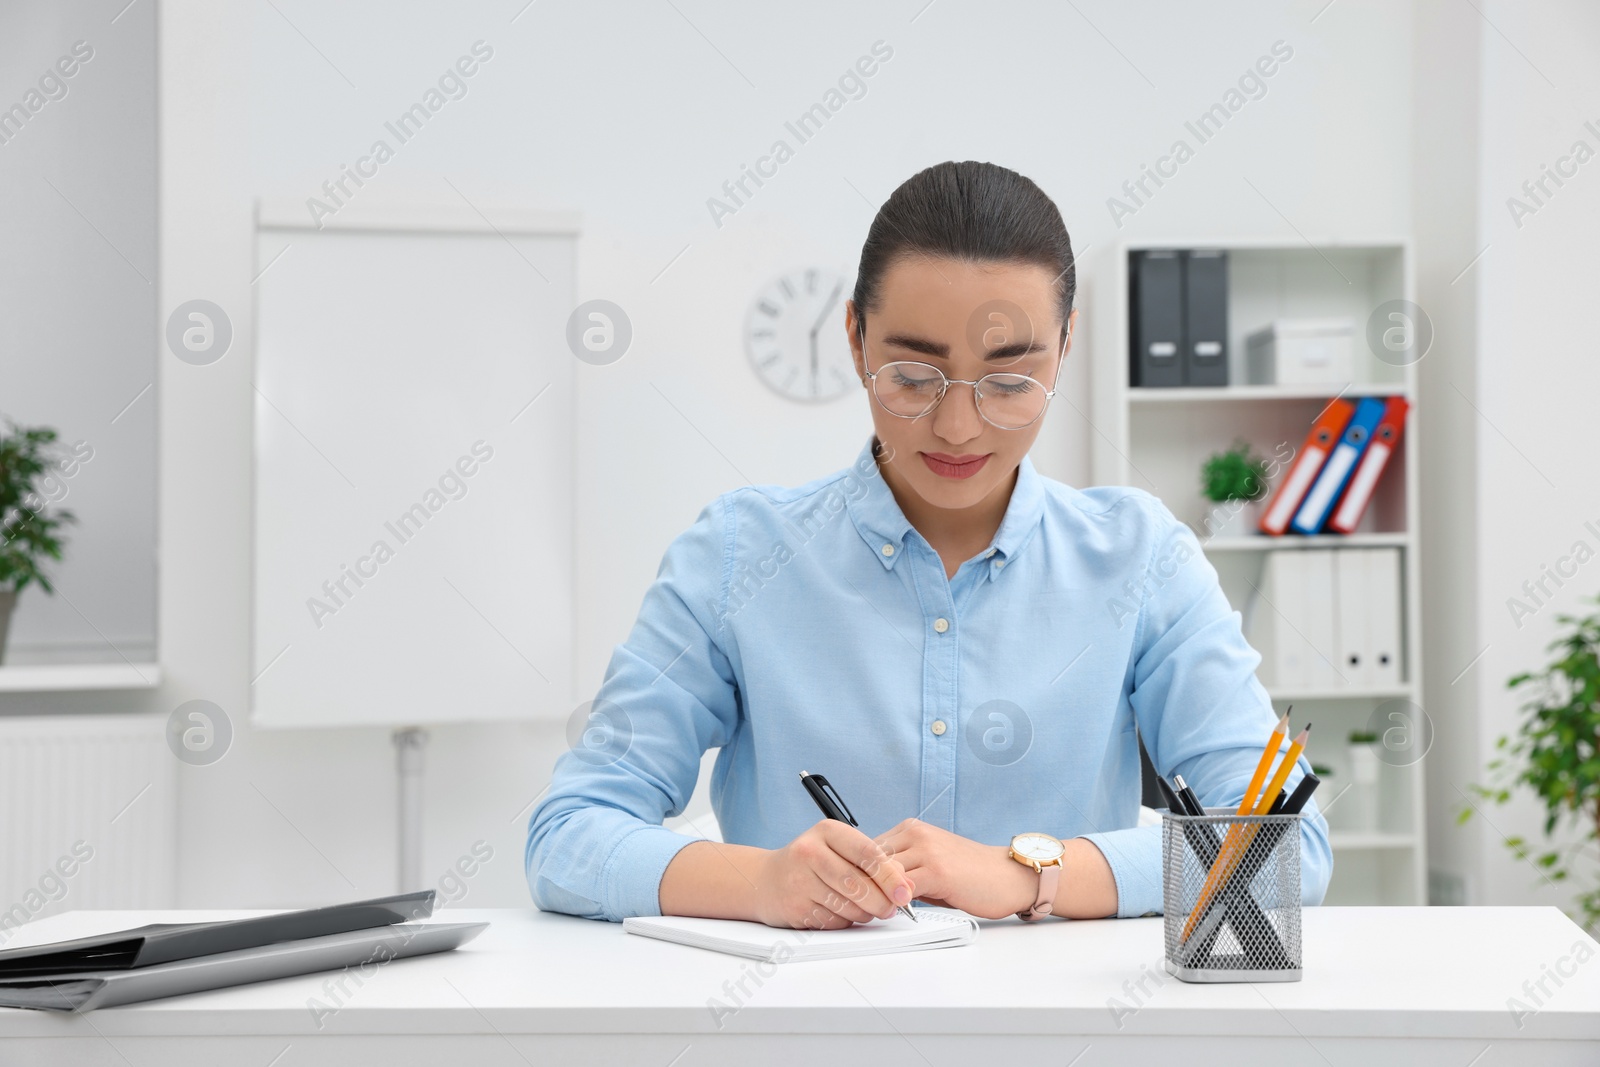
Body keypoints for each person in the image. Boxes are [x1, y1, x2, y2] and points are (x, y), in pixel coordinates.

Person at [527, 160, 1331, 928]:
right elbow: (570, 832)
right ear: (855, 338)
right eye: (913, 376)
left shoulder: (1140, 557)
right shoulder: (738, 553)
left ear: (1066, 346)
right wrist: (761, 881)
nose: (956, 427)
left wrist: (1024, 876)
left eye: (1010, 382)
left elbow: (1290, 847)